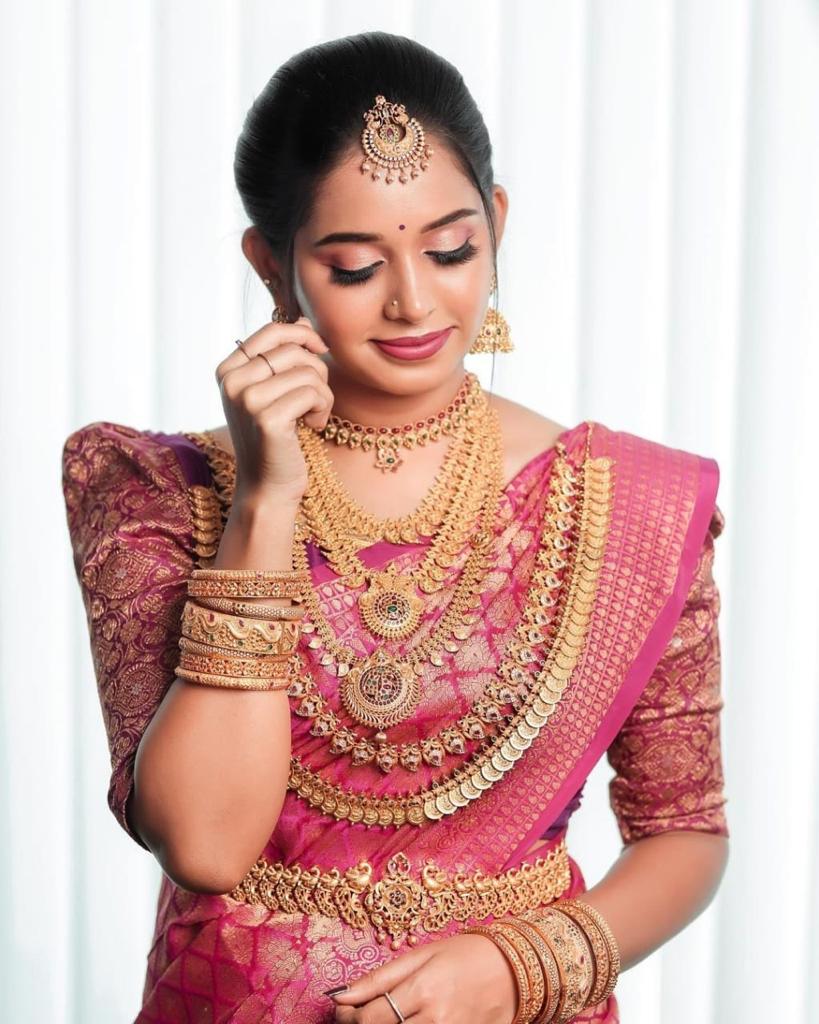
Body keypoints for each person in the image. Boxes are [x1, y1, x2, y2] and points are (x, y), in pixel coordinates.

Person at [61, 30, 730, 1024]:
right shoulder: (159, 491)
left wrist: (519, 967)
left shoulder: (628, 502)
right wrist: (265, 500)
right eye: (355, 264)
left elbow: (684, 831)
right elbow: (205, 841)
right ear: (272, 263)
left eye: (452, 248)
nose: (417, 300)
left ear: (496, 226)